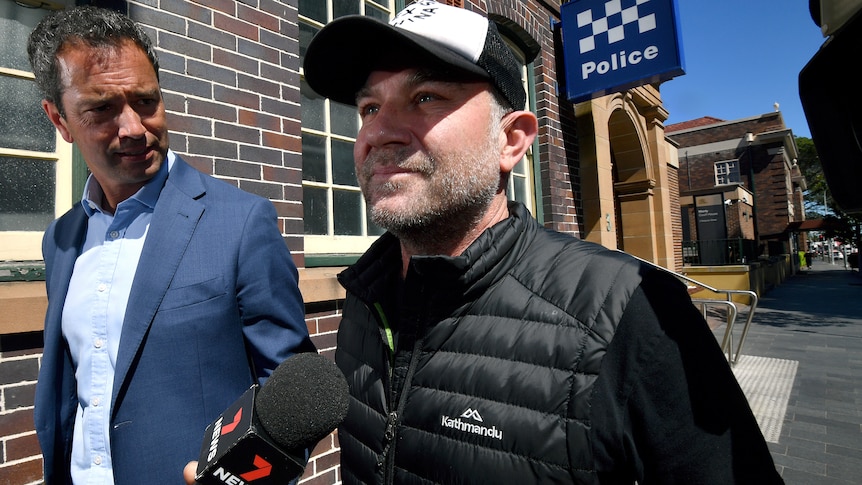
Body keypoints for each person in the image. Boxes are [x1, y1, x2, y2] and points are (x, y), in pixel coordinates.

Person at [301, 2, 784, 483]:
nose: (377, 133)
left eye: (426, 97)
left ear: (511, 140)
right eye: (369, 108)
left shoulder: (633, 314)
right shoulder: (367, 298)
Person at [28, 6, 315, 484]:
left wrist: (240, 480)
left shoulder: (241, 222)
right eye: (101, 109)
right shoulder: (61, 238)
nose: (134, 128)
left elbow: (294, 395)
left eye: (146, 101)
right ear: (59, 120)